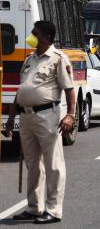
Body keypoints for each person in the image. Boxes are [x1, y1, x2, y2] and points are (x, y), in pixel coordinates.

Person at [6, 21, 76, 224]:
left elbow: (70, 90)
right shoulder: (29, 59)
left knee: (53, 164)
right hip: (26, 117)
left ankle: (53, 210)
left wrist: (70, 115)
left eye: (35, 34)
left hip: (48, 116)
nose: (31, 37)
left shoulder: (58, 59)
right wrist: (11, 119)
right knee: (32, 164)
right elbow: (21, 90)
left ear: (46, 37)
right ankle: (35, 207)